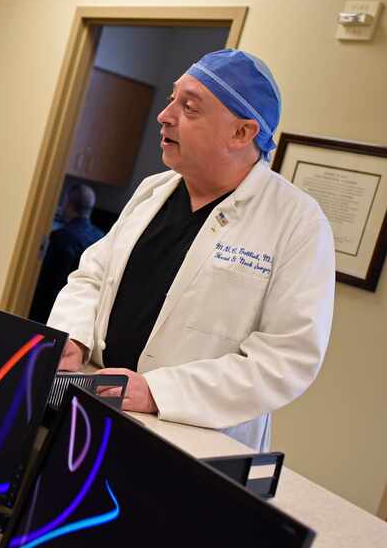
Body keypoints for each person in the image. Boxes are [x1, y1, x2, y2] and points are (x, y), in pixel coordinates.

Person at [48, 49, 335, 451]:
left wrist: (157, 392)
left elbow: (286, 360)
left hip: (192, 441)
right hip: (94, 411)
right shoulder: (153, 191)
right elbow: (92, 277)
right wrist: (73, 338)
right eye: (172, 99)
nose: (165, 115)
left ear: (242, 133)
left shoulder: (297, 224)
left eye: (189, 107)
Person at [29, 183, 104, 323]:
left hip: (53, 308)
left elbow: (48, 281)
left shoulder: (61, 236)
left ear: (68, 205)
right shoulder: (100, 238)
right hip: (83, 312)